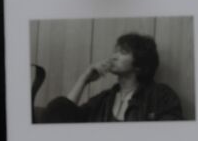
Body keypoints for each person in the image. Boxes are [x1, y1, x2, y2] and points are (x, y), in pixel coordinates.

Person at [42, 32, 184, 122]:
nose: (113, 57)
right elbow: (60, 117)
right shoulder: (103, 100)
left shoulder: (161, 95)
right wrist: (84, 79)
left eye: (122, 52)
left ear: (139, 65)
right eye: (114, 51)